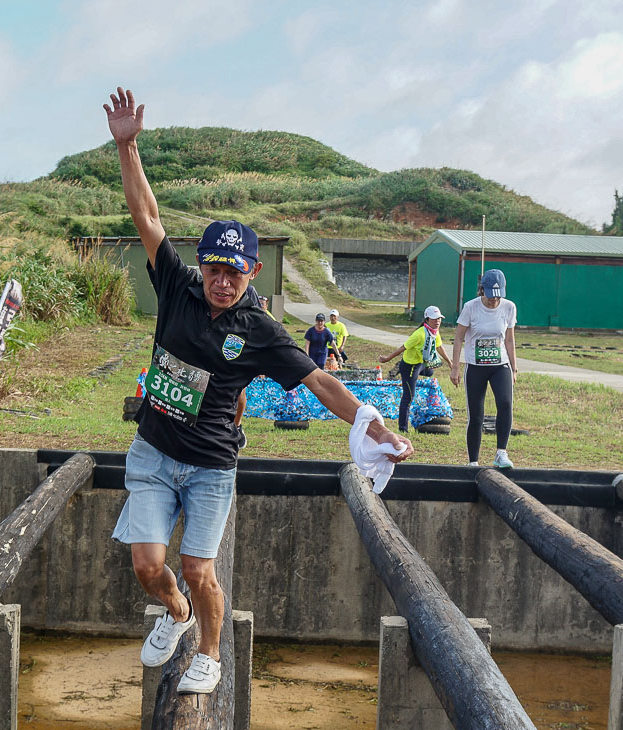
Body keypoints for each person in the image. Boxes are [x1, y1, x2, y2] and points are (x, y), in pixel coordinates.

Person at [103, 87, 413, 695]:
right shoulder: (177, 285)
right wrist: (129, 146)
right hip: (153, 451)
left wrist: (372, 425)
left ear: (251, 273)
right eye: (214, 268)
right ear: (203, 265)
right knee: (148, 566)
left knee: (198, 568)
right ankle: (176, 615)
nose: (221, 281)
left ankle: (211, 656)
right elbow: (147, 215)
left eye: (234, 272)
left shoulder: (261, 330)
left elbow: (321, 378)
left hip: (212, 462)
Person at [450, 269, 518, 469]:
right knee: (476, 414)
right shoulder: (471, 307)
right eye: (490, 296)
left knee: (505, 403)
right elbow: (459, 338)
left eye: (497, 297)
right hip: (475, 367)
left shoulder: (509, 307)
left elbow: (509, 339)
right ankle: (473, 461)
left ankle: (501, 453)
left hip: (500, 365)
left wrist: (514, 368)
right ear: (482, 290)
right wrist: (455, 367)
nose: (493, 301)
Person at [379, 305, 452, 434]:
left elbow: (440, 347)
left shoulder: (435, 332)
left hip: (421, 363)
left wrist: (450, 363)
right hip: (410, 367)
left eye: (439, 319)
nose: (438, 321)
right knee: (409, 397)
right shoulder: (419, 334)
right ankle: (403, 428)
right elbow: (403, 348)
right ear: (427, 319)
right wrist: (387, 358)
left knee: (430, 371)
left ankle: (423, 369)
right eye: (434, 319)